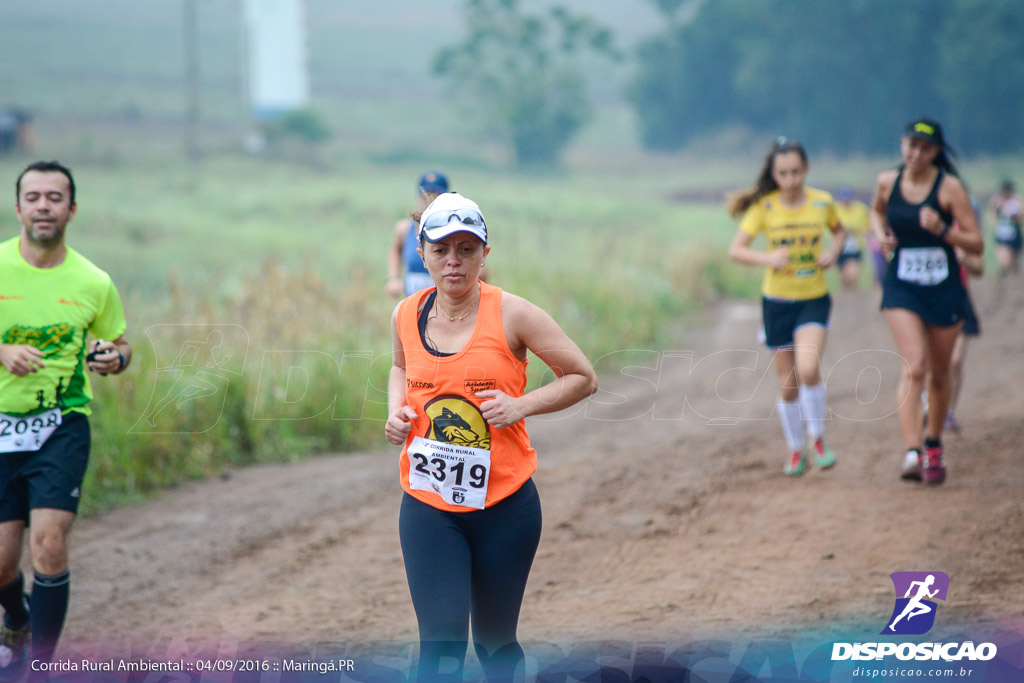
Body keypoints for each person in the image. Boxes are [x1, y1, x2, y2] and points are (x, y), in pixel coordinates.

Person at [384, 192, 597, 682]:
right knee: (440, 647)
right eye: (442, 250)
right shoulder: (405, 315)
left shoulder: (513, 315)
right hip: (429, 506)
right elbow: (400, 367)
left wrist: (520, 405)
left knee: (496, 645)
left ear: (485, 252)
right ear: (422, 252)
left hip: (505, 507)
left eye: (466, 249)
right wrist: (395, 411)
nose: (454, 262)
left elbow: (583, 377)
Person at [0, 161, 131, 676]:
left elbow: (119, 346)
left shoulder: (93, 281)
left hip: (61, 424)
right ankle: (18, 615)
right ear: (18, 208)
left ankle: (42, 665)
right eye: (33, 197)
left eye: (55, 197)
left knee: (49, 543)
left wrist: (112, 359)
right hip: (2, 426)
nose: (43, 206)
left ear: (71, 210)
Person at [870, 118, 982, 485]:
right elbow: (877, 211)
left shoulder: (950, 189)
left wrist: (944, 231)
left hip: (944, 288)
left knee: (939, 372)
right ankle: (913, 450)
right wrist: (882, 236)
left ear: (936, 152)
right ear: (903, 144)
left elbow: (977, 244)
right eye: (910, 145)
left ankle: (934, 443)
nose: (915, 153)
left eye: (924, 147)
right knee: (914, 366)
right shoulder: (888, 181)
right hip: (902, 285)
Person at [728, 138, 847, 476]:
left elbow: (839, 233)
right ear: (774, 174)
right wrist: (768, 257)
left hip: (813, 298)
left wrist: (833, 252)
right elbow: (736, 250)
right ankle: (796, 450)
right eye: (783, 173)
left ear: (806, 169)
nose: (791, 180)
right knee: (788, 383)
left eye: (796, 172)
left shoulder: (823, 204)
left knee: (808, 368)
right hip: (777, 302)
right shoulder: (764, 208)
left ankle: (818, 438)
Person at [388, 171, 451, 299]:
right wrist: (394, 279)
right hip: (412, 303)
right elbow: (395, 249)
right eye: (425, 195)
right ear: (418, 197)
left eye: (436, 195)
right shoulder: (405, 229)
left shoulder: (453, 231)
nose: (430, 201)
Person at [988, 179, 1022, 303]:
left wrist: (1013, 215)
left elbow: (1021, 217)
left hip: (1015, 235)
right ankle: (1001, 288)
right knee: (1004, 262)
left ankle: (1015, 289)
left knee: (1015, 264)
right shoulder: (997, 201)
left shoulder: (1016, 201)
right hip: (1002, 236)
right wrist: (998, 209)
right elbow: (992, 218)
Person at [833, 187, 873, 289]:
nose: (846, 202)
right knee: (843, 277)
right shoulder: (835, 209)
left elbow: (869, 226)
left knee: (853, 273)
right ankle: (847, 299)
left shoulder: (861, 209)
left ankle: (854, 293)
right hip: (839, 246)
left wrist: (857, 231)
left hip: (855, 245)